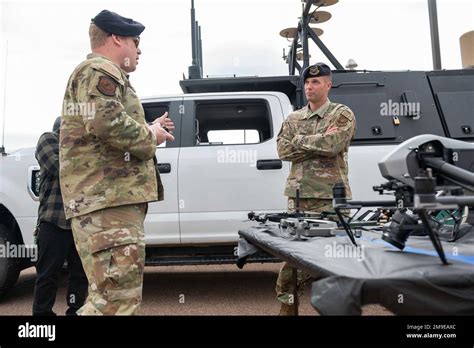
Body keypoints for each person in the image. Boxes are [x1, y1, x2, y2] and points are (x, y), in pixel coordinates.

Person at [59, 10, 174, 315]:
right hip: (107, 204)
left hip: (107, 204)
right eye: (134, 41)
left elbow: (105, 124)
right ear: (115, 38)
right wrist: (150, 133)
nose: (139, 49)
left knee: (110, 298)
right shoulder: (99, 70)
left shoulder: (102, 73)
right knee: (115, 302)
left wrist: (149, 128)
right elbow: (105, 123)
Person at [275, 62, 356, 315]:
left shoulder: (341, 114)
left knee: (336, 262)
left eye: (316, 82)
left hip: (331, 199)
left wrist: (299, 141)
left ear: (328, 85)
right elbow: (283, 150)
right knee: (292, 264)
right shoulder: (293, 118)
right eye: (307, 82)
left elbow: (333, 144)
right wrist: (315, 142)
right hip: (298, 200)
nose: (310, 86)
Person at [32, 117, 88, 316]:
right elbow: (59, 169)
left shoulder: (83, 147)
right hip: (53, 222)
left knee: (80, 275)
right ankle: (42, 317)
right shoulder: (48, 139)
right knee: (47, 275)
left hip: (80, 224)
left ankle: (75, 311)